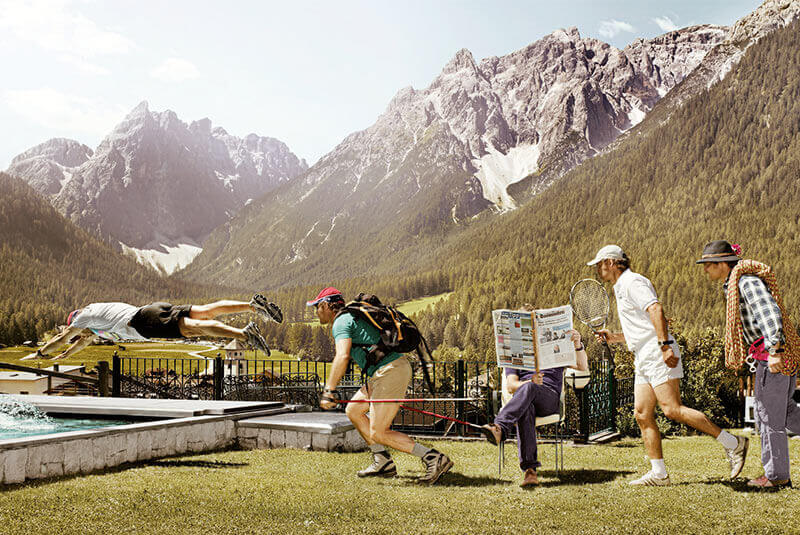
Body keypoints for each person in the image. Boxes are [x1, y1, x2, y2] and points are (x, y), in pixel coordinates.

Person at [589, 244, 748, 486]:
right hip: (643, 353)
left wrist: (664, 347)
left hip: (655, 351)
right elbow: (643, 325)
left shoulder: (632, 282)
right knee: (642, 413)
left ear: (610, 262)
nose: (599, 269)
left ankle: (733, 443)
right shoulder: (622, 287)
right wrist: (615, 337)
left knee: (672, 409)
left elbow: (655, 309)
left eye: (600, 264)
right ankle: (659, 474)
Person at [311, 287, 453, 485]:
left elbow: (342, 356)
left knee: (379, 431)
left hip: (389, 371)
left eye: (317, 307)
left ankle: (433, 458)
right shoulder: (351, 316)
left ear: (326, 305)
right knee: (354, 410)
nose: (316, 311)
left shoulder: (341, 322)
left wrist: (329, 390)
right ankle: (383, 461)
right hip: (383, 372)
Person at [698, 240, 800, 488]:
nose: (705, 270)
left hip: (771, 356)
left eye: (709, 265)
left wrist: (775, 350)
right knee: (785, 411)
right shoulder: (738, 282)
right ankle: (777, 474)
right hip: (770, 355)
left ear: (723, 264)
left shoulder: (746, 282)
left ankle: (777, 477)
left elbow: (769, 313)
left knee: (769, 418)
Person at [482, 328, 589, 487]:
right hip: (525, 399)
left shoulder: (555, 349)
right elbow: (511, 386)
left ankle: (501, 427)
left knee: (530, 390)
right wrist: (529, 381)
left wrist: (578, 343)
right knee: (527, 405)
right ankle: (530, 472)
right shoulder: (515, 355)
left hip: (549, 398)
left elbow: (582, 366)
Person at [25, 295, 282, 360]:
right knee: (205, 310)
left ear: (75, 319)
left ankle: (245, 334)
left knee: (196, 328)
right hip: (150, 309)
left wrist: (41, 353)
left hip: (143, 324)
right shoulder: (95, 321)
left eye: (75, 327)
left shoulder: (83, 318)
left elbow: (65, 337)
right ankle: (252, 305)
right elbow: (83, 341)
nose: (78, 332)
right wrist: (67, 355)